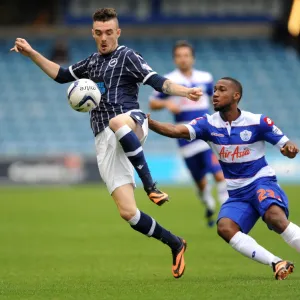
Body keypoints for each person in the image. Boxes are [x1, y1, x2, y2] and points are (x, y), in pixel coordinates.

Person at [10, 8, 203, 278]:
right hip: (104, 140)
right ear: (93, 33)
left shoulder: (127, 56)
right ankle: (175, 242)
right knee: (128, 213)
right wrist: (32, 53)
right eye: (99, 33)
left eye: (109, 32)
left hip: (132, 122)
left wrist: (185, 91)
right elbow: (62, 74)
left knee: (117, 122)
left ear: (118, 32)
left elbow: (156, 81)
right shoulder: (90, 63)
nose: (104, 38)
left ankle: (151, 186)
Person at [148, 77, 300, 280]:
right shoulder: (208, 124)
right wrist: (149, 122)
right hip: (237, 193)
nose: (215, 94)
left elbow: (285, 144)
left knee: (275, 217)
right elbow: (176, 130)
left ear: (236, 96)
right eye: (215, 90)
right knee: (225, 228)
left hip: (261, 182)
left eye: (222, 90)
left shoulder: (258, 122)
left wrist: (289, 149)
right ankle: (276, 262)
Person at [149, 40, 227, 226]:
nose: (183, 59)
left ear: (192, 58)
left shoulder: (205, 77)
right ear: (175, 59)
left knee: (219, 173)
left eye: (186, 55)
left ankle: (226, 214)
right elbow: (153, 103)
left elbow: (216, 98)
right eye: (179, 56)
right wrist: (167, 103)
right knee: (200, 180)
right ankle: (206, 199)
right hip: (184, 133)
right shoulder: (169, 80)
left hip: (205, 129)